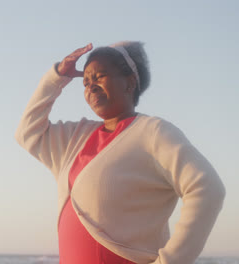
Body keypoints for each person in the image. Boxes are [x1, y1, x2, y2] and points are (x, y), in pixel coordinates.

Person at [15, 42, 226, 264]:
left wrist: (170, 261)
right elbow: (27, 133)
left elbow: (207, 188)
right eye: (86, 82)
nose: (91, 87)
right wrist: (56, 78)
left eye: (99, 77)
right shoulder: (76, 137)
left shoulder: (153, 132)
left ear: (130, 82)